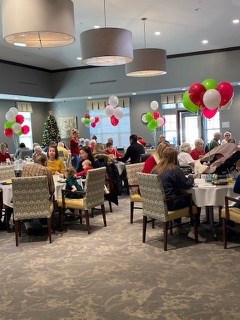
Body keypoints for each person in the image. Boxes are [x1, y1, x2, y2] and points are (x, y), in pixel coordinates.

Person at [153, 147, 206, 242]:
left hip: (159, 203)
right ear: (175, 157)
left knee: (178, 193)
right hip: (170, 204)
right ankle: (193, 231)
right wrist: (192, 177)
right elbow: (186, 185)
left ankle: (178, 227)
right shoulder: (174, 169)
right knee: (197, 202)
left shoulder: (156, 168)